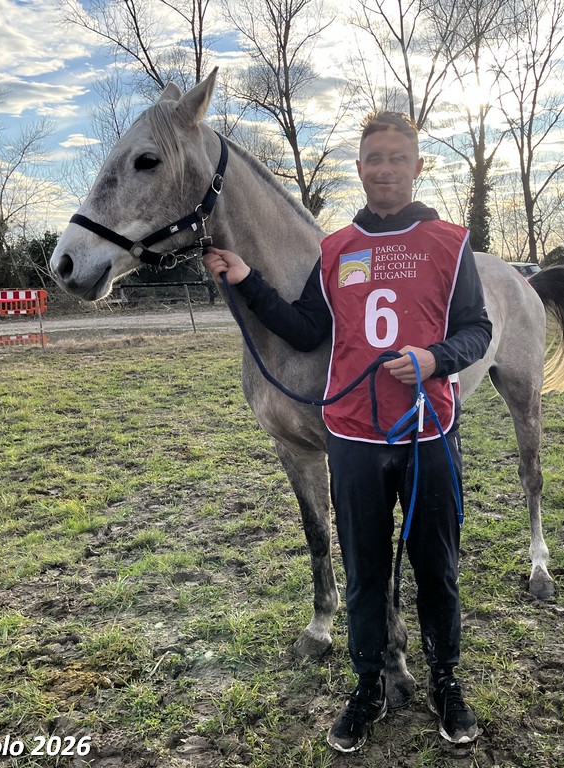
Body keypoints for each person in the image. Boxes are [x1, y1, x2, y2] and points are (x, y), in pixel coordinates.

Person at [203, 111, 492, 753]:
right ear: (359, 169)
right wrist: (248, 280)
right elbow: (306, 329)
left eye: (397, 157)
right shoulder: (335, 250)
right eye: (374, 159)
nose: (385, 169)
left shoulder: (450, 243)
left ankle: (446, 680)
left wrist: (435, 359)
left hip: (428, 430)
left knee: (436, 565)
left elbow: (478, 330)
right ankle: (367, 685)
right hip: (355, 435)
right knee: (363, 569)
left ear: (417, 166)